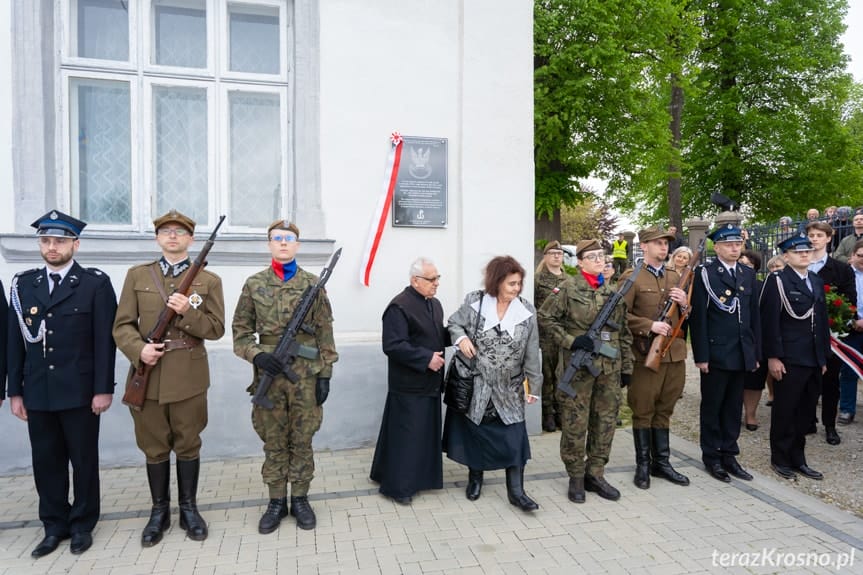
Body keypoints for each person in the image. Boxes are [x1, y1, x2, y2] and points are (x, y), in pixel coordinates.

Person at [7, 211, 117, 558]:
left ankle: (82, 523)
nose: (51, 247)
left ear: (75, 244)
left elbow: (105, 341)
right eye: (45, 240)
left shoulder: (94, 284)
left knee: (83, 461)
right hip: (38, 391)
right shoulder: (24, 285)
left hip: (80, 392)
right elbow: (14, 342)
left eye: (59, 241)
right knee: (46, 462)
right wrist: (15, 391)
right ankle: (54, 525)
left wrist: (103, 388)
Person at [113, 210, 225, 546]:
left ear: (190, 239)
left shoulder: (208, 281)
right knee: (154, 446)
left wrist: (187, 311)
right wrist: (138, 351)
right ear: (157, 238)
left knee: (188, 443)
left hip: (189, 377)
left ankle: (188, 509)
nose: (172, 236)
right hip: (148, 373)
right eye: (166, 231)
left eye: (179, 231)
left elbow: (217, 329)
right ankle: (158, 511)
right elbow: (122, 326)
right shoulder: (137, 276)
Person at [232, 220, 338, 533]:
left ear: (297, 245)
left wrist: (325, 374)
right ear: (269, 245)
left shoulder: (312, 284)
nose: (282, 243)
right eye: (276, 239)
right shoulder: (254, 284)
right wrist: (257, 355)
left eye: (288, 239)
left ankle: (301, 499)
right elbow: (239, 333)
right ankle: (276, 500)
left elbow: (324, 331)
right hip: (269, 375)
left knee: (302, 439)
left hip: (305, 377)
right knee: (274, 441)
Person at [443, 255, 541, 512]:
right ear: (496, 282)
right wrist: (461, 338)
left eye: (519, 283)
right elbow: (454, 323)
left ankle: (517, 492)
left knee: (514, 439)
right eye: (511, 284)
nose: (516, 289)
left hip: (510, 387)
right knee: (476, 433)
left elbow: (532, 352)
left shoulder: (527, 311)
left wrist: (535, 387)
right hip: (478, 385)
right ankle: (475, 478)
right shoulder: (475, 302)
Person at [538, 239, 633, 503]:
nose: (599, 261)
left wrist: (626, 366)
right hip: (578, 368)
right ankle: (576, 476)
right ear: (580, 262)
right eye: (592, 257)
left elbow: (624, 333)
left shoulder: (613, 293)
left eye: (601, 256)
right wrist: (570, 341)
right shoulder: (567, 289)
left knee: (604, 422)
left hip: (609, 369)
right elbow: (545, 318)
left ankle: (596, 474)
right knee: (575, 423)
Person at [370, 257, 449, 504]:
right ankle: (399, 487)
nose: (437, 283)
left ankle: (421, 478)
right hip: (408, 384)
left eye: (438, 278)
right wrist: (426, 358)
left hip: (430, 382)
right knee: (407, 436)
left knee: (423, 434)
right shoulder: (399, 306)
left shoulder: (434, 304)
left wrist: (460, 335)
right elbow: (393, 345)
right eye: (432, 279)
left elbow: (436, 334)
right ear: (415, 281)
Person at [689, 223, 760, 483]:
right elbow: (700, 318)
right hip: (717, 353)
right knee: (713, 406)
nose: (734, 248)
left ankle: (730, 454)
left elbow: (754, 317)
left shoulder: (746, 273)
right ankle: (711, 456)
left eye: (737, 244)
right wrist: (702, 356)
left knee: (733, 408)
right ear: (716, 247)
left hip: (741, 352)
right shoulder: (706, 274)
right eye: (728, 244)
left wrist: (754, 353)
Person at [621, 227, 690, 490]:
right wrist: (648, 326)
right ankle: (643, 466)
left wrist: (684, 303)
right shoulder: (632, 277)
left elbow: (688, 315)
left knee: (665, 409)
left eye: (666, 244)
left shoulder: (676, 276)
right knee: (643, 410)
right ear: (644, 246)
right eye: (658, 243)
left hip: (674, 354)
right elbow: (619, 315)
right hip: (645, 354)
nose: (664, 248)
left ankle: (662, 462)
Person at [760, 234, 829, 480]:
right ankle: (780, 458)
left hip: (812, 357)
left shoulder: (816, 281)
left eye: (808, 251)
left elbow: (821, 322)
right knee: (785, 410)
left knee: (806, 412)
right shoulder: (777, 281)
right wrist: (773, 357)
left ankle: (799, 458)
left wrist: (822, 358)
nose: (804, 254)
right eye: (798, 252)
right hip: (789, 357)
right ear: (786, 256)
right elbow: (770, 323)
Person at [806, 221, 856, 445]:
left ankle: (829, 425)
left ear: (828, 238)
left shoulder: (841, 269)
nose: (814, 239)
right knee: (805, 379)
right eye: (811, 235)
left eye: (818, 235)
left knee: (830, 382)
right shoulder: (801, 264)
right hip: (802, 334)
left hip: (831, 336)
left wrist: (835, 320)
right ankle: (807, 420)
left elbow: (849, 302)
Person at [534, 241, 569, 431]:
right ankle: (547, 413)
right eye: (553, 253)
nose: (557, 256)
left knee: (562, 374)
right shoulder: (538, 280)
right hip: (545, 335)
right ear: (545, 256)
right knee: (547, 374)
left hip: (563, 334)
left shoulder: (568, 280)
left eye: (560, 253)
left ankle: (560, 411)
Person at [739, 250, 767, 431]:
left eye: (748, 265)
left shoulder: (762, 286)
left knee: (755, 380)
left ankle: (750, 414)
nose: (743, 269)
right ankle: (733, 412)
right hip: (734, 339)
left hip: (756, 338)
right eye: (741, 264)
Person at [838, 238, 863, 426]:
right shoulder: (844, 275)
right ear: (852, 256)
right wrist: (852, 320)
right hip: (851, 328)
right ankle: (847, 409)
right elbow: (837, 300)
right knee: (849, 369)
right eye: (860, 256)